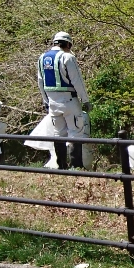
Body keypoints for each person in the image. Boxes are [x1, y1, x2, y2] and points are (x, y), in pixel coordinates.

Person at [38, 32, 88, 170]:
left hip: (53, 103)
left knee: (58, 134)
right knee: (76, 132)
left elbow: (40, 81)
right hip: (69, 101)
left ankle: (61, 166)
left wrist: (45, 101)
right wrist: (85, 99)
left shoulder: (42, 58)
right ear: (67, 44)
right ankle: (76, 166)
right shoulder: (67, 57)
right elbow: (77, 81)